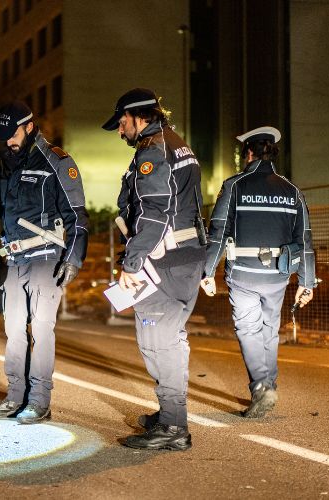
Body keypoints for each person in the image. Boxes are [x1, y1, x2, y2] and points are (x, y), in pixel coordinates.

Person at [102, 88, 207, 451]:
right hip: (183, 257)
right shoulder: (177, 144)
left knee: (159, 342)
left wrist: (132, 263)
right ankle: (168, 415)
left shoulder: (153, 152)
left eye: (121, 123)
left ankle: (174, 428)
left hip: (164, 260)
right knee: (167, 339)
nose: (119, 131)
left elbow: (153, 211)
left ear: (137, 116)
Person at [0, 101, 89, 424]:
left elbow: (77, 215)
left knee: (41, 329)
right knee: (13, 331)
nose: (7, 141)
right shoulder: (8, 163)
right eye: (3, 136)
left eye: (11, 134)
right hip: (15, 259)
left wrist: (74, 258)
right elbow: (9, 210)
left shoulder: (57, 161)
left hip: (46, 259)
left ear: (28, 126)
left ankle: (39, 401)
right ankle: (14, 397)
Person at [201, 126, 316, 418]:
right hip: (278, 275)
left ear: (249, 153)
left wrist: (207, 270)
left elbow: (218, 231)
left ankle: (263, 387)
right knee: (269, 330)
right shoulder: (292, 190)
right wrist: (307, 281)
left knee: (248, 329)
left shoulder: (235, 185)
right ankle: (269, 384)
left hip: (243, 273)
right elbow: (304, 239)